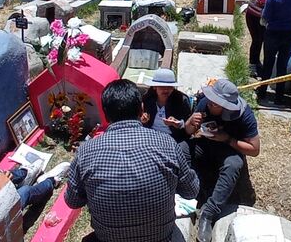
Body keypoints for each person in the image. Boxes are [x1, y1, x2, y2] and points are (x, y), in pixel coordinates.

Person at [65, 79, 199, 242]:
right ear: (141, 109)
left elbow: (72, 201)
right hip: (161, 238)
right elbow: (191, 191)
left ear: (105, 114)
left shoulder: (86, 152)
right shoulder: (168, 144)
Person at [180, 79, 260, 242]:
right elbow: (189, 131)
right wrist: (190, 123)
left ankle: (209, 213)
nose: (209, 104)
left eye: (215, 103)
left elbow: (254, 150)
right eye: (210, 99)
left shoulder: (244, 115)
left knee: (234, 165)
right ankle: (187, 193)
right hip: (206, 144)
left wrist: (227, 139)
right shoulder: (204, 104)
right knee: (181, 149)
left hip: (229, 148)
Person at [245, 0, 277, 77]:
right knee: (256, 39)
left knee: (264, 40)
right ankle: (252, 64)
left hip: (267, 16)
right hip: (253, 14)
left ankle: (259, 63)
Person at [141, 68, 193, 142]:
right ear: (154, 87)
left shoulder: (182, 100)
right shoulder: (147, 98)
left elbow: (188, 123)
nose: (166, 90)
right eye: (162, 87)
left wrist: (177, 123)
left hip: (173, 138)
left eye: (169, 87)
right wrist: (144, 120)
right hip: (150, 135)